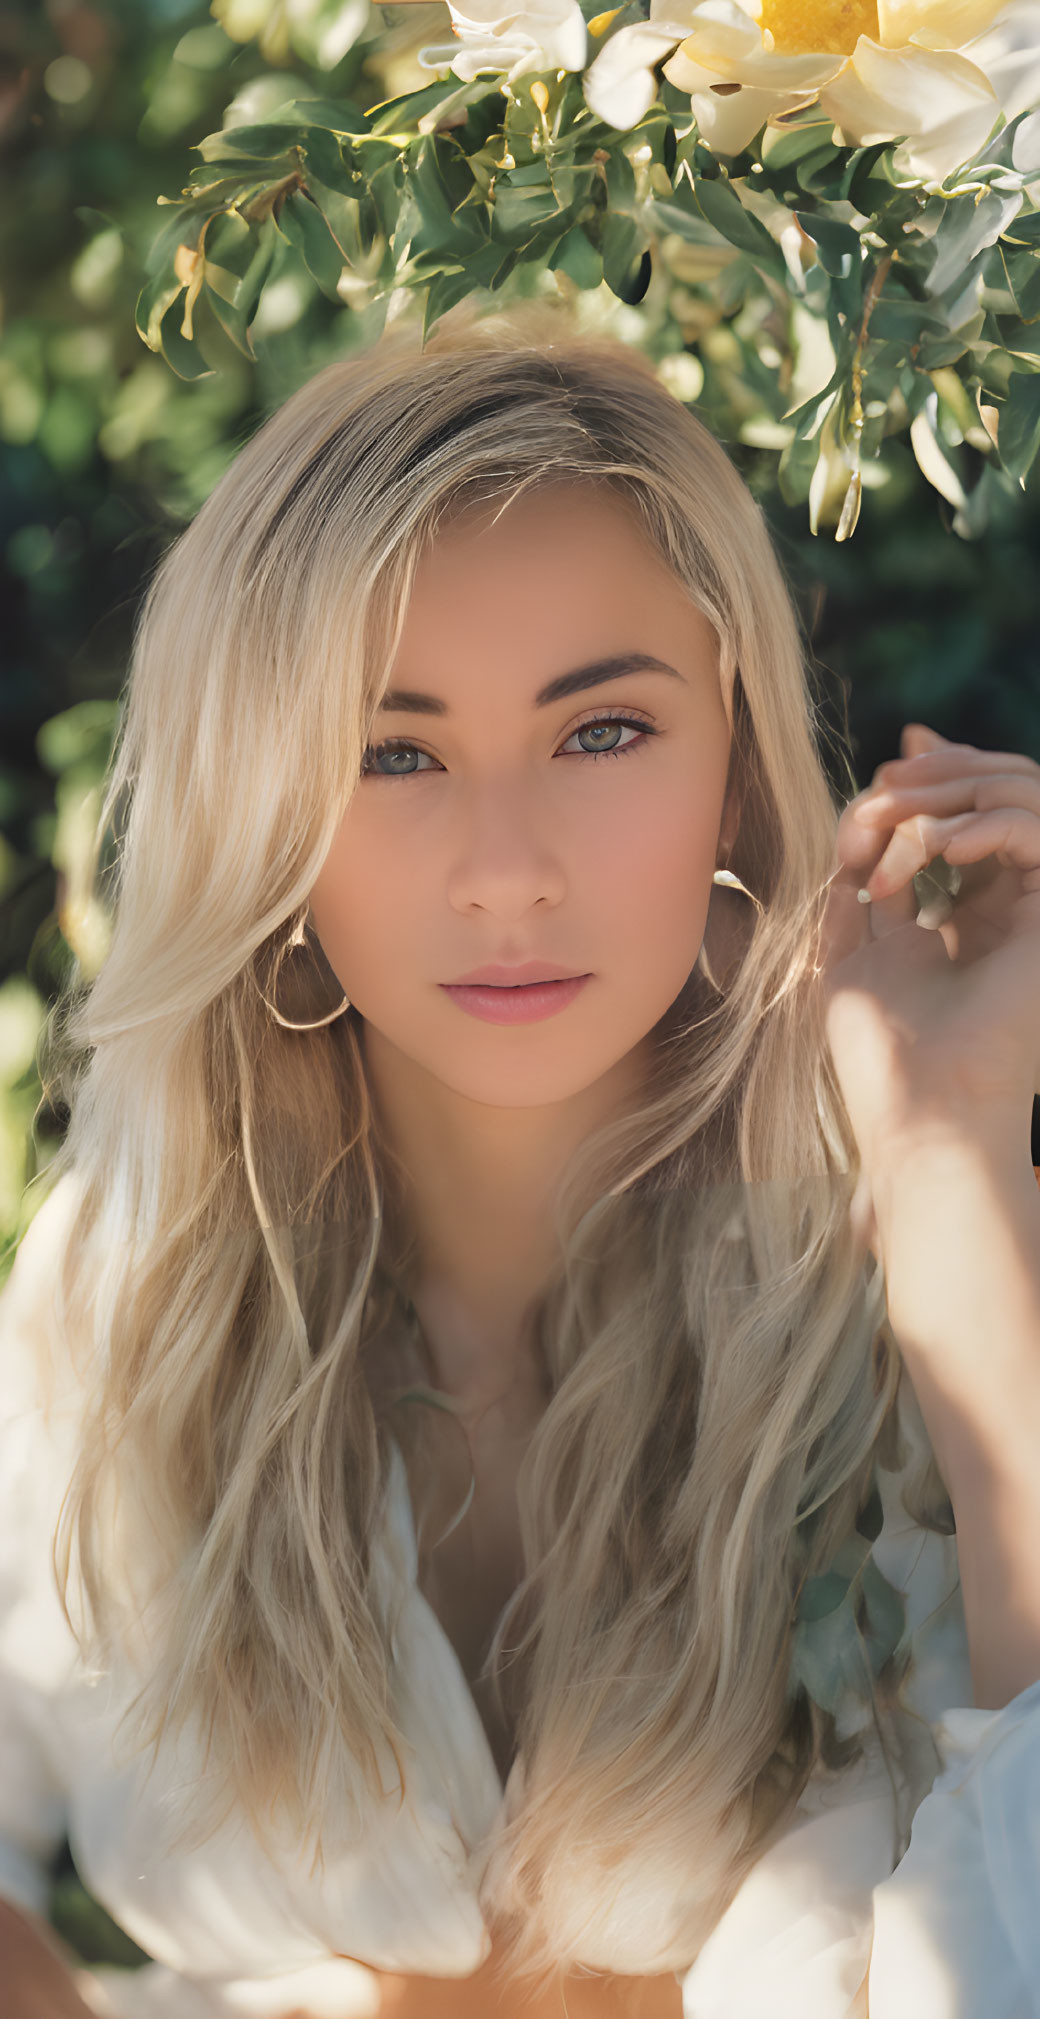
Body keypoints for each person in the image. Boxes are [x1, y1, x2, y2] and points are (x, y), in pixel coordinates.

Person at [2, 297, 1039, 2019]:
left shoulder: (929, 1295)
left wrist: (952, 1170)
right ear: (264, 811)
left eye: (604, 731)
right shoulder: (138, 1292)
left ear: (733, 772)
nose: (506, 871)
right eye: (390, 752)